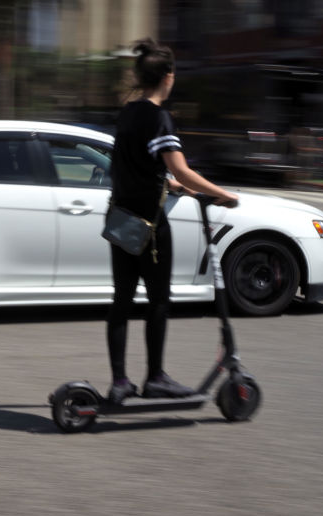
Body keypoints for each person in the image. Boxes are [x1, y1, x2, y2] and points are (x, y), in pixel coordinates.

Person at [106, 37, 238, 404]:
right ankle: (156, 378)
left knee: (121, 300)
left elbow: (136, 165)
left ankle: (119, 382)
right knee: (159, 300)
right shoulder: (158, 116)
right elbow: (178, 165)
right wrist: (223, 194)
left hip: (120, 220)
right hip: (149, 226)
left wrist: (174, 185)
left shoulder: (129, 111)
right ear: (167, 75)